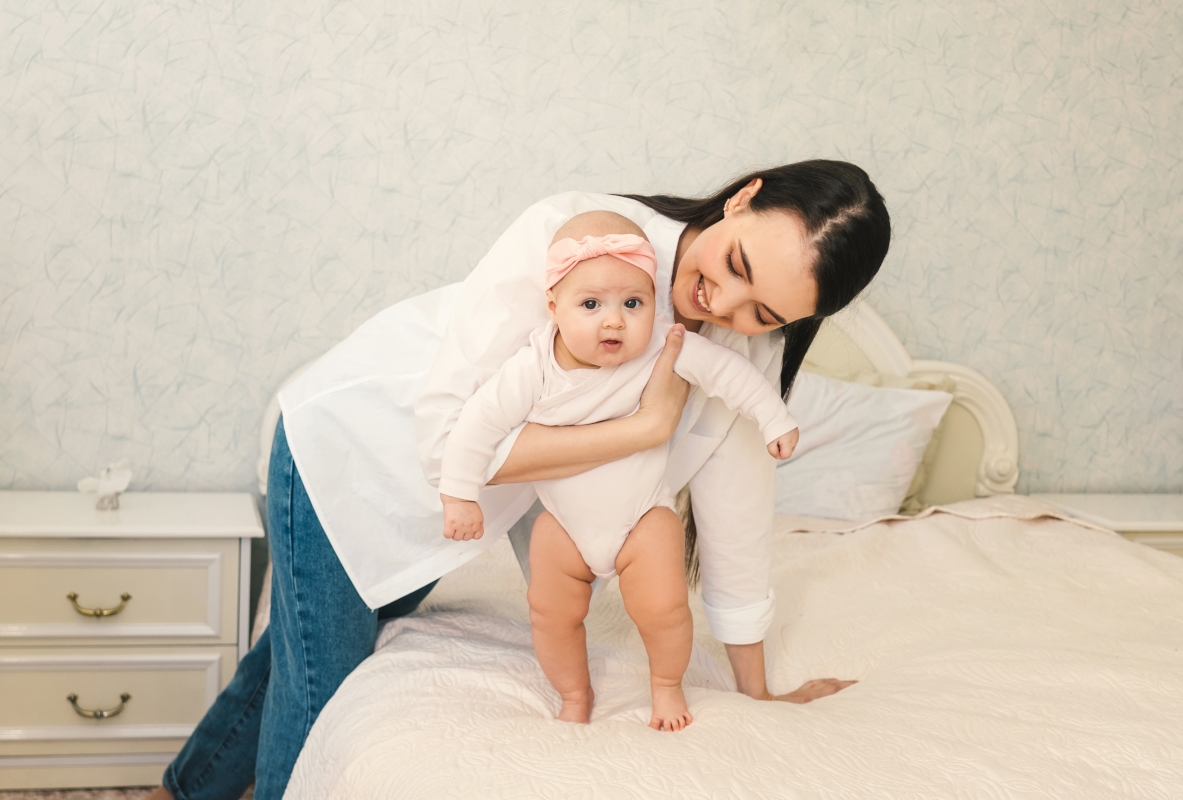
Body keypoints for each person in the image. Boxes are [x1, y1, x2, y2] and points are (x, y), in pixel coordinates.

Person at [144, 159, 890, 800]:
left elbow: (736, 521)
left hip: (449, 514)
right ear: (741, 197)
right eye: (737, 266)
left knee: (295, 651)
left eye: (764, 311)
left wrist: (757, 695)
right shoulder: (580, 236)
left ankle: (178, 790)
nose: (724, 305)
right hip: (355, 454)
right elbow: (447, 446)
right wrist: (643, 429)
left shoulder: (741, 353)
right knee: (319, 694)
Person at [438, 211, 800, 730]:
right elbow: (476, 424)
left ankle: (666, 686)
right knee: (551, 615)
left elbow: (729, 374)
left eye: (633, 303)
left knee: (665, 612)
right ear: (553, 308)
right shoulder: (533, 368)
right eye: (591, 305)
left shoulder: (663, 347)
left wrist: (774, 418)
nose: (614, 320)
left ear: (653, 300)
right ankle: (573, 693)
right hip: (564, 527)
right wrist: (458, 495)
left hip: (641, 521)